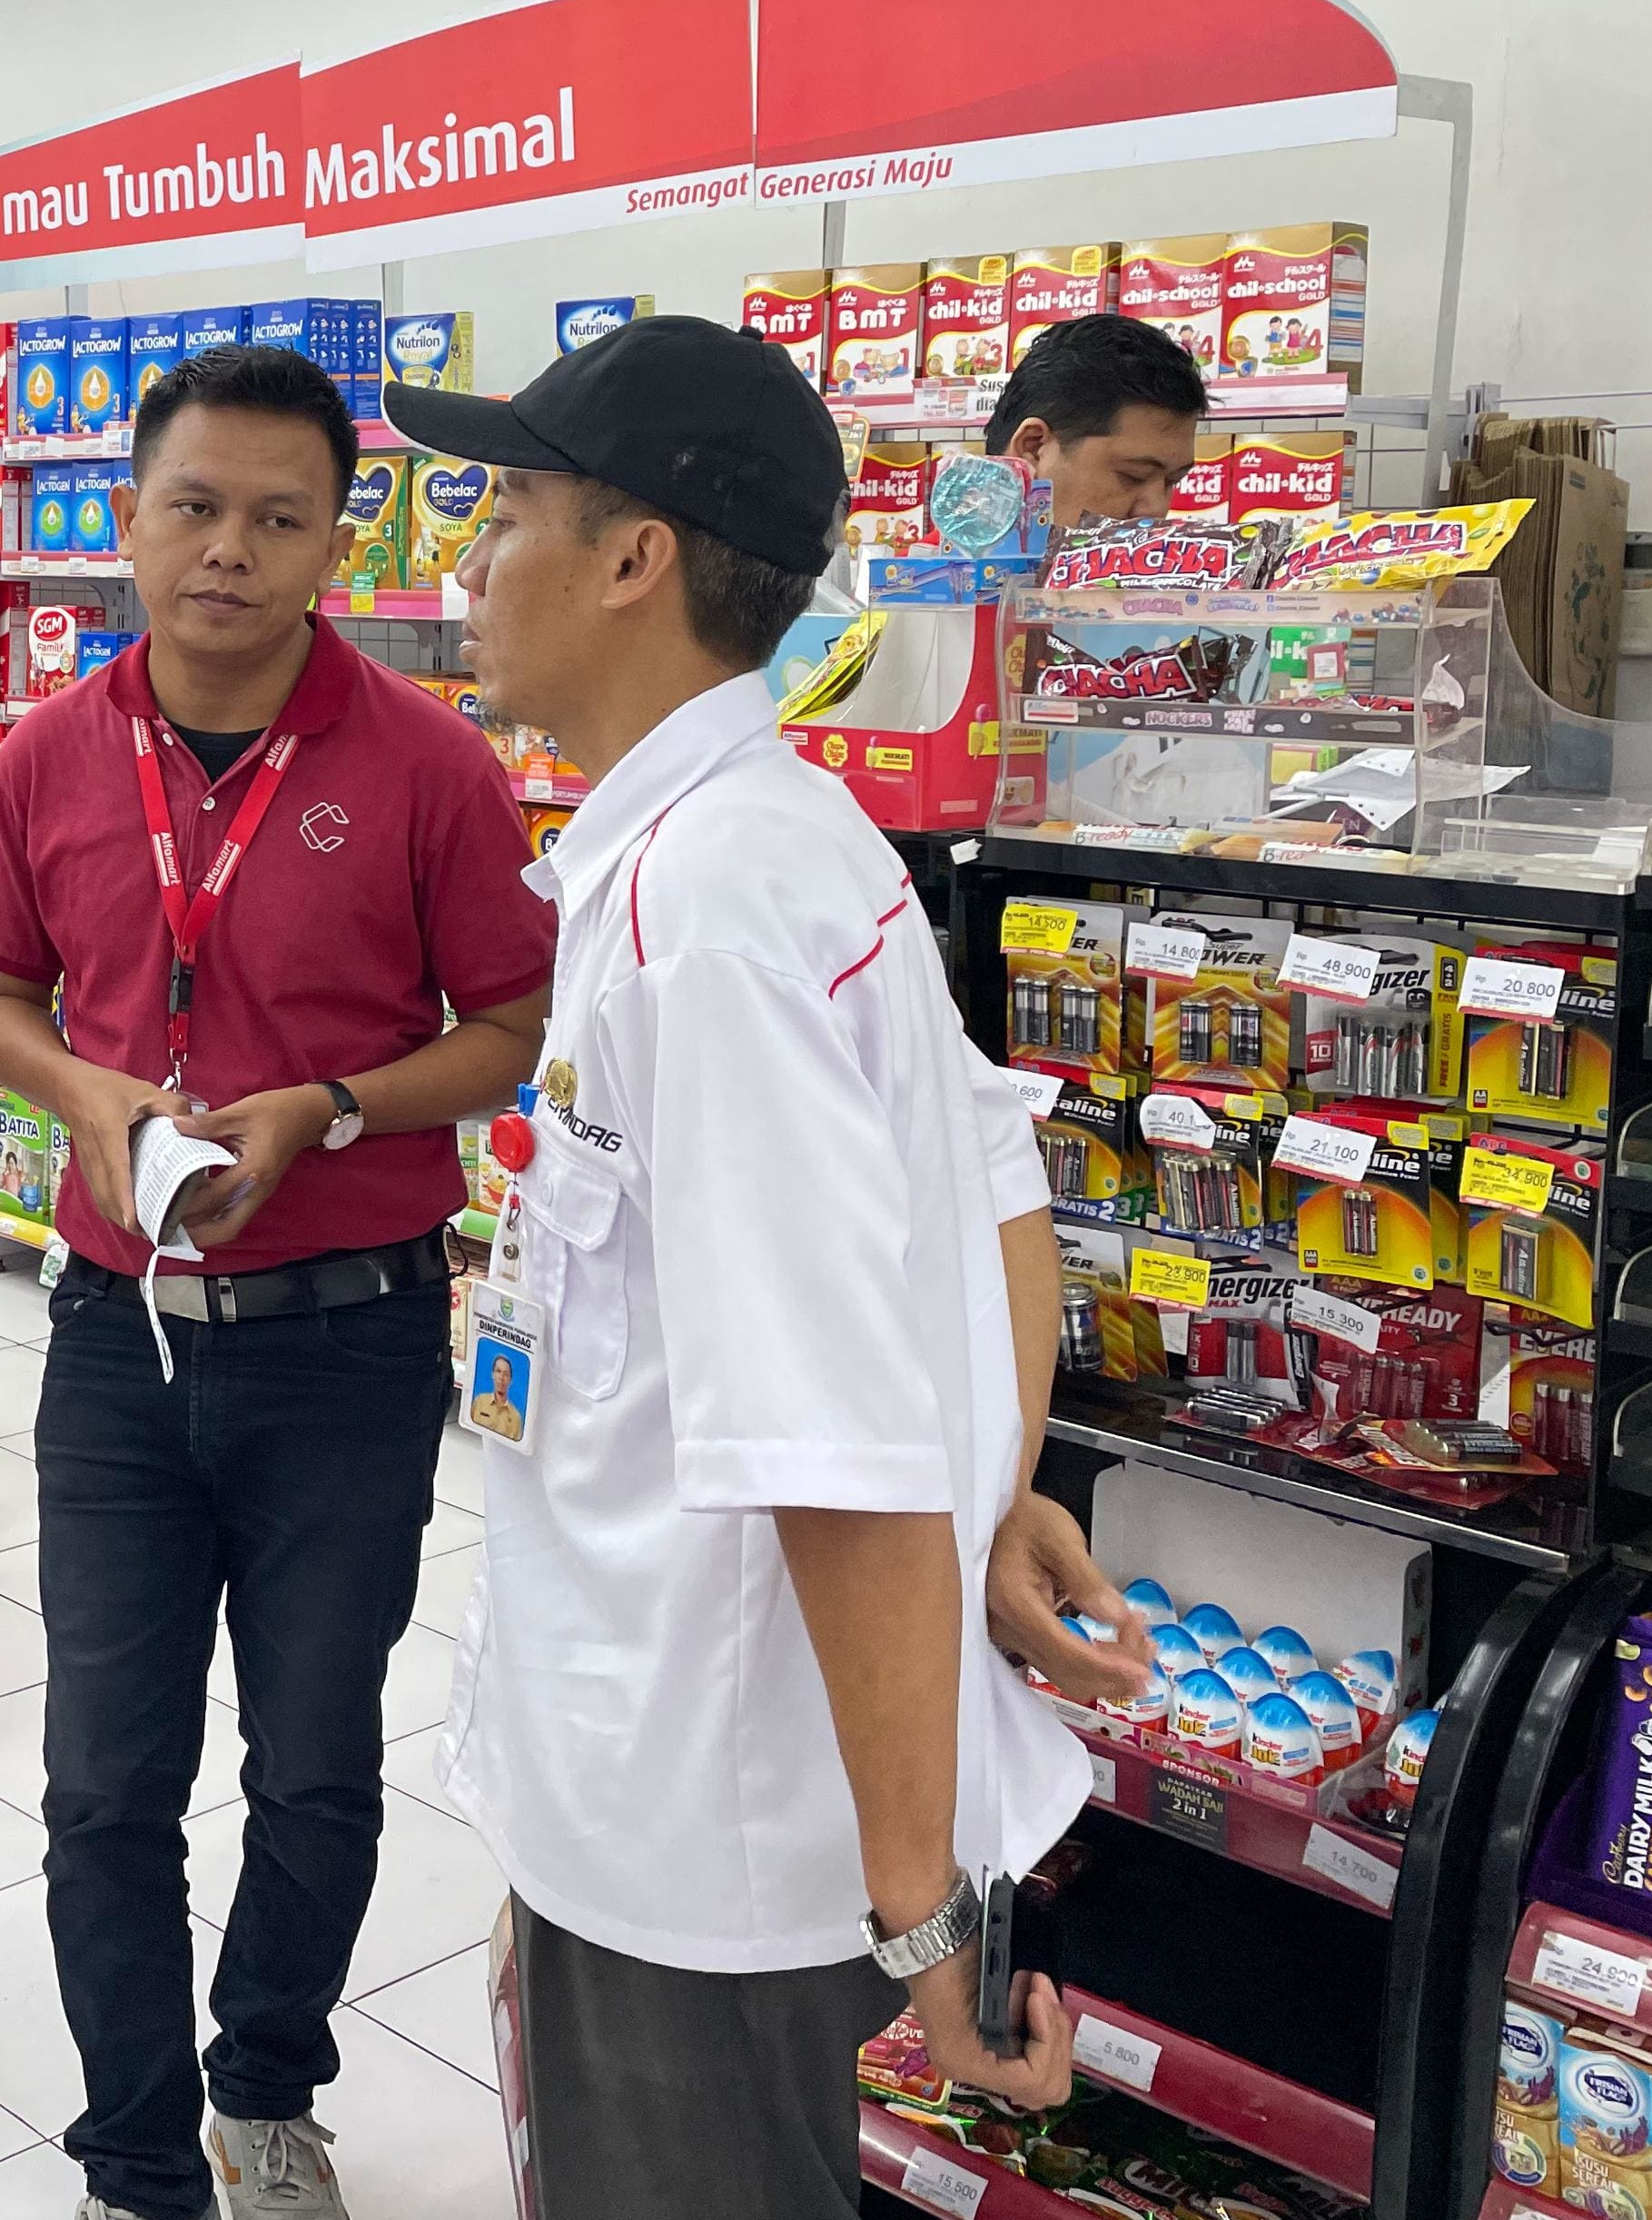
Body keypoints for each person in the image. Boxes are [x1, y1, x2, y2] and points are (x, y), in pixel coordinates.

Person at [396, 314, 1146, 2219]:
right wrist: (1001, 1492)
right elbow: (996, 1190)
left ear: (637, 555)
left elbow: (830, 1456)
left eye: (509, 508)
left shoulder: (707, 913)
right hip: (684, 1773)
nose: (467, 560)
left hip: (696, 1834)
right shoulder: (780, 839)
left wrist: (929, 1932)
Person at [0, 342, 555, 2220]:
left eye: (275, 518)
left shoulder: (429, 763)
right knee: (101, 1787)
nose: (226, 551)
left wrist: (335, 1107)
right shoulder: (47, 757)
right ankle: (137, 2157)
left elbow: (516, 1025)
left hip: (350, 1343)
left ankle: (267, 2084)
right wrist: (87, 1091)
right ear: (124, 522)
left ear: (333, 540)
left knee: (315, 1765)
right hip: (115, 1344)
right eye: (192, 508)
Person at [982, 312, 1209, 532]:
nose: (1157, 510)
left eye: (1173, 481)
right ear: (1034, 448)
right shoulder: (951, 566)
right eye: (1133, 475)